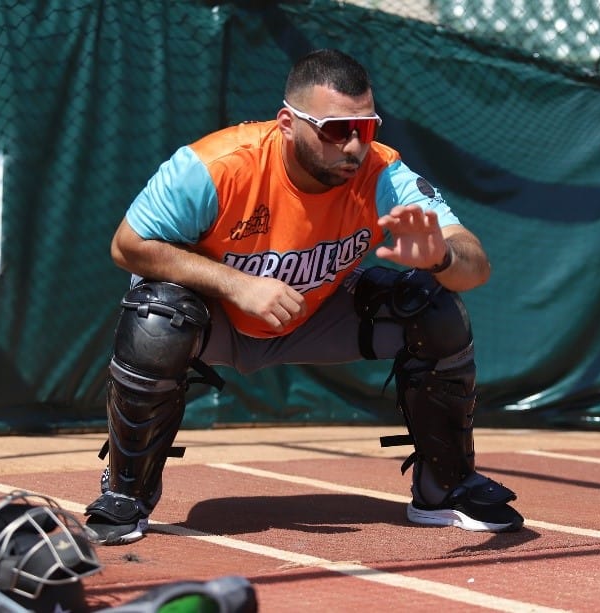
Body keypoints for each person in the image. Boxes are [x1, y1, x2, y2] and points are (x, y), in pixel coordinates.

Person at [83, 48, 524, 545]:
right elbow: (127, 245)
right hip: (220, 318)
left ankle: (445, 488)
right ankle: (126, 493)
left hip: (314, 314)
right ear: (289, 123)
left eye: (367, 127)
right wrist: (237, 285)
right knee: (157, 314)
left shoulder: (383, 174)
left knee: (434, 304)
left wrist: (442, 257)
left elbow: (475, 263)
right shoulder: (216, 167)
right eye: (337, 130)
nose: (355, 146)